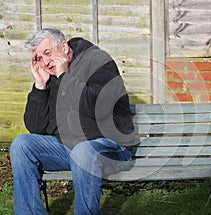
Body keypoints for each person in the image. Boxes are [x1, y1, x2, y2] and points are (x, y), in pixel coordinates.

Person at [10, 28, 135, 215]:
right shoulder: (50, 75)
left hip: (111, 146)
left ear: (64, 46)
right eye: (39, 58)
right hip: (70, 149)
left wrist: (64, 77)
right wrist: (40, 86)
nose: (46, 62)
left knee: (83, 150)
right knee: (21, 144)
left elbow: (97, 109)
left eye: (48, 53)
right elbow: (36, 127)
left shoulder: (98, 61)